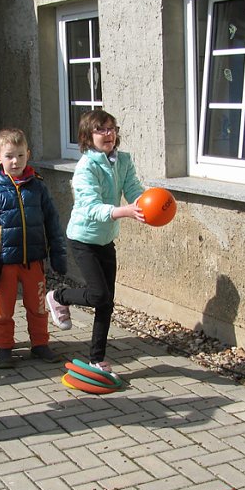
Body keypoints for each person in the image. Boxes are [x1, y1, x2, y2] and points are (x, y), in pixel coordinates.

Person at [45, 109, 145, 374]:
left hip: (106, 239)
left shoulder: (123, 160)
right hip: (83, 238)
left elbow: (134, 189)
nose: (108, 134)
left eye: (111, 128)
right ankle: (58, 296)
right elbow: (91, 207)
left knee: (107, 301)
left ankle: (96, 359)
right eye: (101, 130)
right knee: (99, 294)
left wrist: (151, 203)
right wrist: (124, 212)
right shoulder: (85, 167)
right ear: (88, 136)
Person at [0, 128, 68, 366]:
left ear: (27, 154)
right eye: (9, 156)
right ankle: (4, 347)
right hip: (6, 264)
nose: (15, 161)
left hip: (34, 262)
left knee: (37, 306)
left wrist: (58, 255)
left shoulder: (38, 188)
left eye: (19, 155)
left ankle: (40, 344)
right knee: (4, 309)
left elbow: (53, 223)